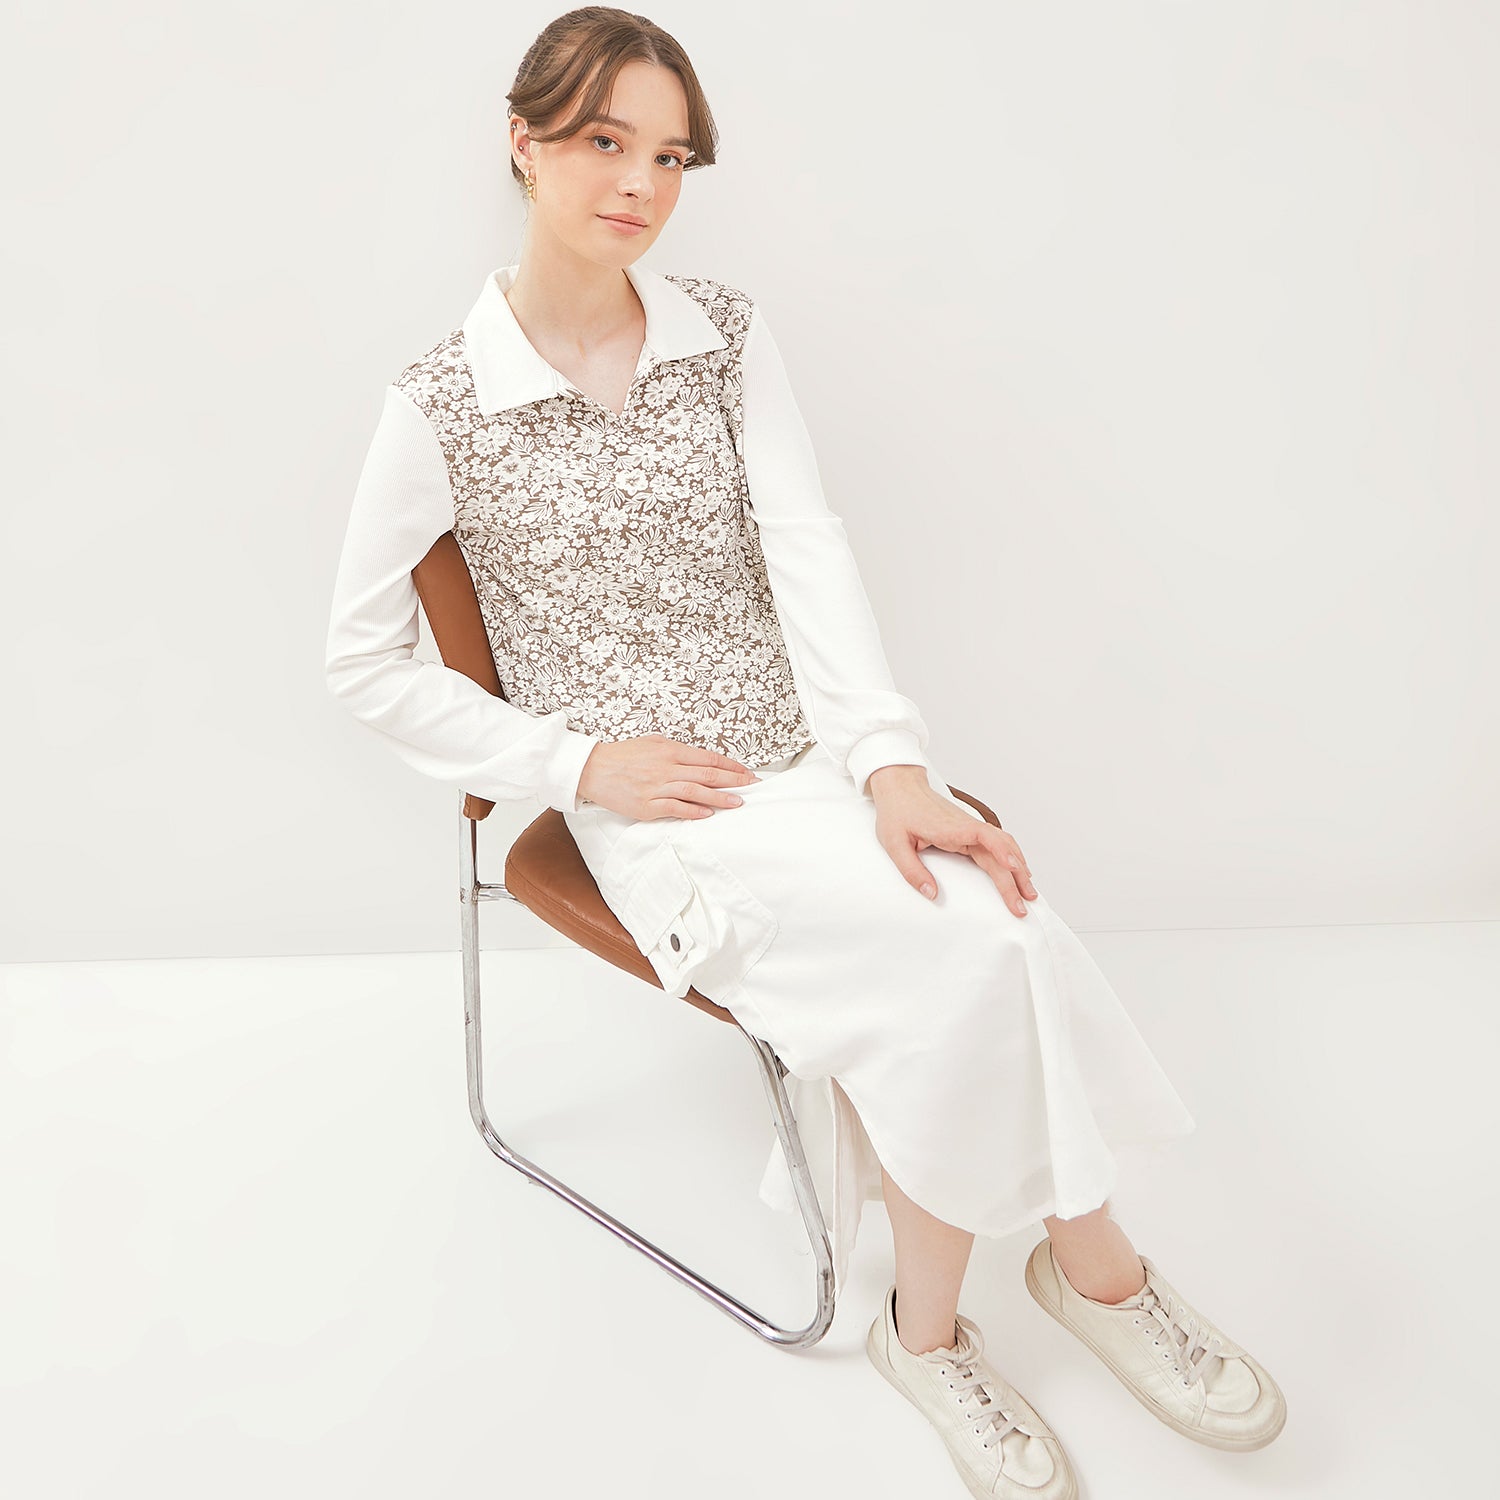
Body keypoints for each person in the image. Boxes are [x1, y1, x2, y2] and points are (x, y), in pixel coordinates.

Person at [324, 8, 1287, 1494]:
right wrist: (576, 768)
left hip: (808, 754)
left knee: (994, 927)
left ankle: (997, 1304)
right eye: (602, 141)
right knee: (959, 961)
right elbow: (362, 662)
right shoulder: (440, 401)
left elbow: (806, 550)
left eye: (669, 156)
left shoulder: (723, 335)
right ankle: (1048, 1294)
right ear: (521, 143)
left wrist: (892, 763)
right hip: (662, 810)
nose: (639, 183)